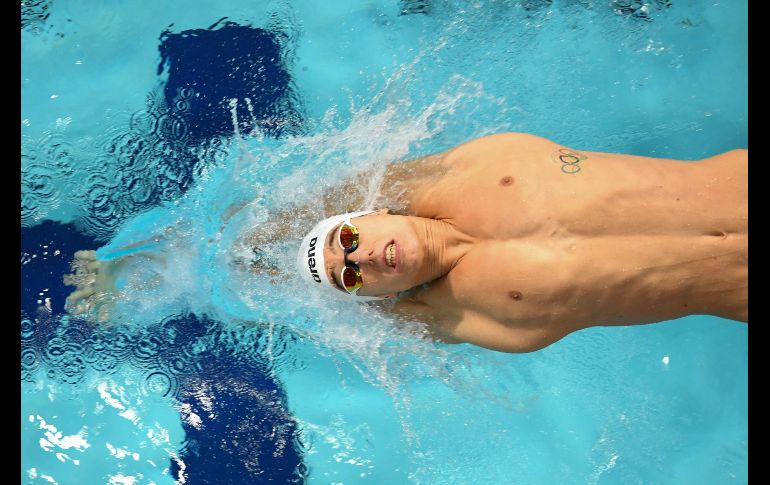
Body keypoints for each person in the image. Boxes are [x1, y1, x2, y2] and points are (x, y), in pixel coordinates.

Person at [67, 133, 748, 353]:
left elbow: (260, 216)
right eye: (352, 275)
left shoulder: (461, 172)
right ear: (375, 300)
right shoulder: (468, 312)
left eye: (351, 239)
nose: (362, 256)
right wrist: (147, 281)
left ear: (368, 208)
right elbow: (252, 293)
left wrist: (130, 247)